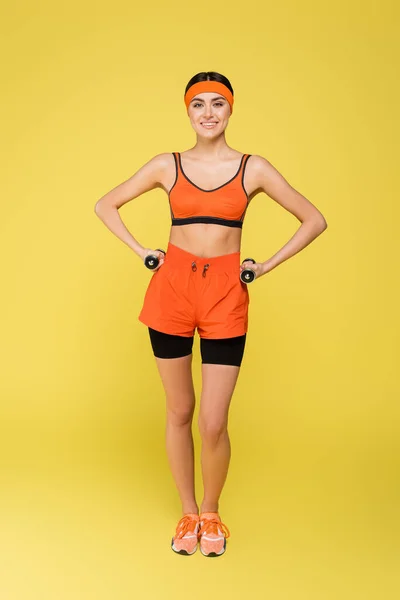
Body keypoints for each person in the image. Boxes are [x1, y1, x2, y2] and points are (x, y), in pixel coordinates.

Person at [94, 71, 328, 557]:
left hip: (225, 292)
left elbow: (314, 219)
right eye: (198, 104)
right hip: (172, 288)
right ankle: (187, 513)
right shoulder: (167, 164)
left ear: (230, 110)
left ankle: (211, 510)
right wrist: (141, 251)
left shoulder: (253, 168)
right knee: (180, 410)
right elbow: (106, 204)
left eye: (217, 104)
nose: (207, 113)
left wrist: (263, 266)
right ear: (187, 111)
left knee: (213, 421)